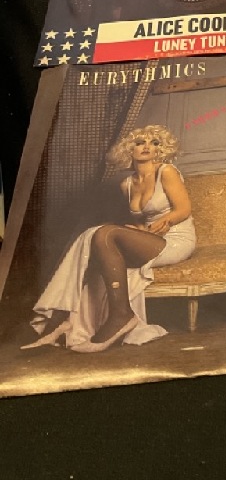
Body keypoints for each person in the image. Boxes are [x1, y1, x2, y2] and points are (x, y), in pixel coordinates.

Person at [21, 125, 196, 353]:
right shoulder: (127, 184)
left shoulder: (167, 171)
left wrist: (158, 225)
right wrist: (139, 229)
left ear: (159, 150)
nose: (146, 147)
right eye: (139, 142)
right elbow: (144, 220)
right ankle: (63, 320)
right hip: (151, 239)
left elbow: (183, 209)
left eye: (154, 143)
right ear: (129, 149)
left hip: (176, 240)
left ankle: (119, 315)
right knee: (96, 240)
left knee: (103, 233)